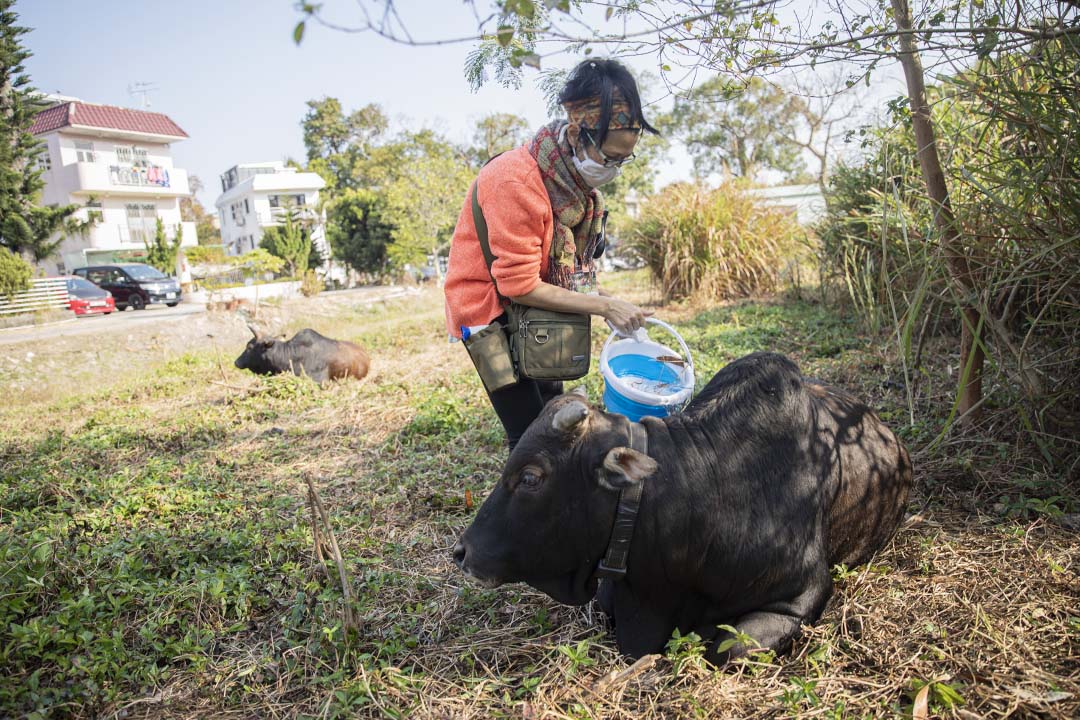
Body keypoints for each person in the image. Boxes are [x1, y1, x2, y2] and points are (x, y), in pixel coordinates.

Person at [444, 58, 659, 449]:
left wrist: (611, 301)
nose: (614, 169)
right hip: (489, 312)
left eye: (624, 160)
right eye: (609, 158)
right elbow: (520, 284)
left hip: (539, 312)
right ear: (577, 134)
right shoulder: (515, 180)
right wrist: (604, 308)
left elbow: (563, 273)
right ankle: (523, 506)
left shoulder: (576, 188)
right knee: (529, 435)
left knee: (555, 416)